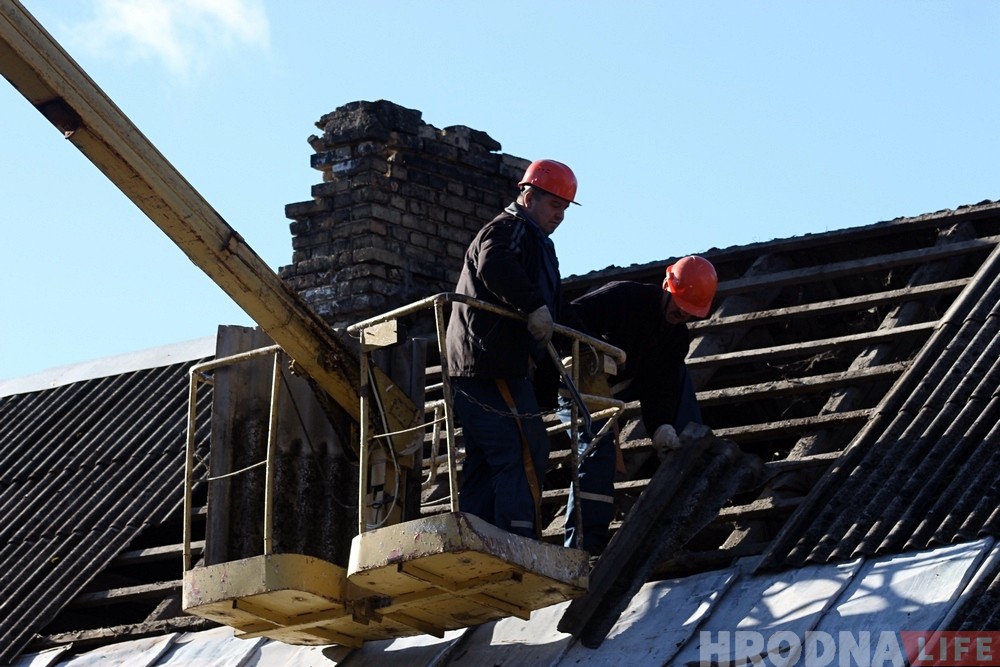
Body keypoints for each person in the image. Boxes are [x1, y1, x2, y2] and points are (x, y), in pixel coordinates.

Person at [445, 159, 579, 539]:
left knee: (489, 459)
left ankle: (476, 539)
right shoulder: (508, 229)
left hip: (489, 364)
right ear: (528, 196)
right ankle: (516, 540)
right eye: (554, 205)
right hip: (490, 363)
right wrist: (532, 305)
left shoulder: (536, 243)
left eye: (564, 209)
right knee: (523, 450)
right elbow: (495, 263)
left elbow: (553, 310)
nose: (560, 215)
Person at [563, 255, 719, 556]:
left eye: (690, 311)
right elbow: (568, 317)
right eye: (680, 305)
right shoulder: (624, 297)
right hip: (573, 381)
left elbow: (658, 388)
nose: (682, 314)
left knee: (677, 376)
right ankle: (582, 547)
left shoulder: (676, 339)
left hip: (612, 391)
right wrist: (596, 350)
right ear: (667, 286)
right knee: (598, 450)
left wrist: (661, 426)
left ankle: (687, 464)